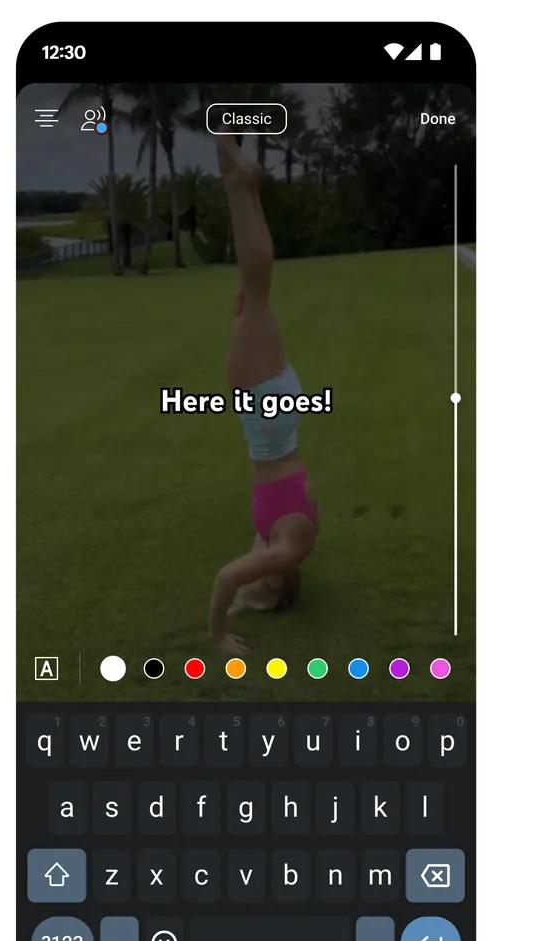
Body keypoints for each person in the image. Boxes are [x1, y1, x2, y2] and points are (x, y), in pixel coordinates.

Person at [208, 131, 319, 655]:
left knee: (249, 298)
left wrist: (246, 602)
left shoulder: (279, 542)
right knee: (255, 291)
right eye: (264, 586)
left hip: (274, 420)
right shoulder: (287, 549)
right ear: (277, 580)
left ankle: (244, 187)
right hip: (268, 418)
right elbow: (228, 577)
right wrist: (218, 635)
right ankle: (238, 184)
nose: (255, 576)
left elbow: (246, 578)